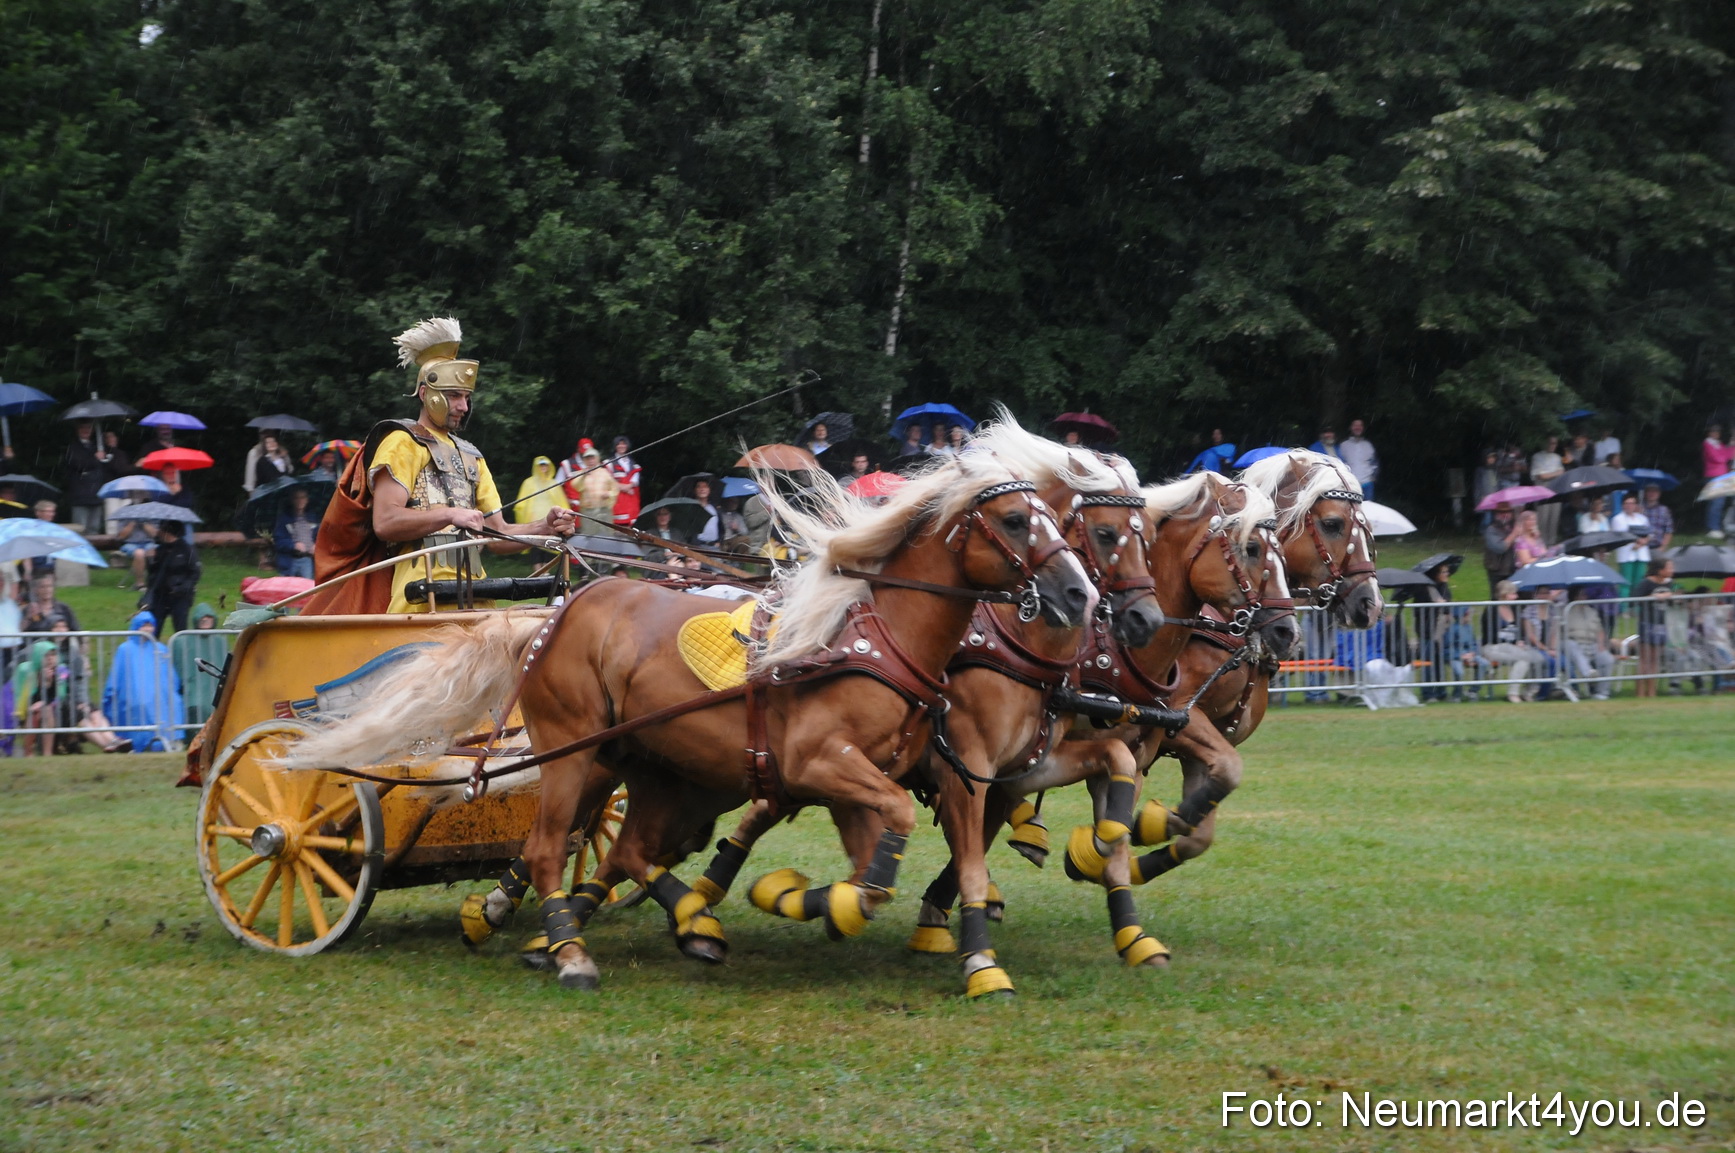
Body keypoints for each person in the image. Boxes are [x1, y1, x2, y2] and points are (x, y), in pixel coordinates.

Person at [305, 316, 577, 615]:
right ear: (425, 394)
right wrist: (449, 514)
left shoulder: (471, 455)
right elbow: (385, 522)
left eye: (467, 397)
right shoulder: (402, 442)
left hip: (477, 598)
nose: (463, 406)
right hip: (419, 599)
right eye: (454, 396)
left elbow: (498, 535)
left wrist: (544, 526)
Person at [102, 611, 187, 751]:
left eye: (150, 625)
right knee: (142, 704)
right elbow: (118, 678)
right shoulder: (125, 649)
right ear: (136, 627)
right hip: (135, 697)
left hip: (161, 695)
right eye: (144, 626)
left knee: (174, 702)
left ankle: (171, 740)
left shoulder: (160, 648)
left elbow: (171, 678)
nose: (148, 629)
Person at [1480, 580, 1547, 704]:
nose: (1516, 597)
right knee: (1524, 659)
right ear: (1504, 594)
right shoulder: (1491, 610)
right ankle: (1513, 693)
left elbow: (1519, 632)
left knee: (1538, 658)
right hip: (1493, 647)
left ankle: (1529, 691)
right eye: (1513, 594)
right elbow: (1491, 635)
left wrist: (1519, 641)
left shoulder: (1515, 610)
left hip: (1512, 647)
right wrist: (1513, 643)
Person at [172, 603, 227, 726]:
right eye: (202, 617)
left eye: (209, 617)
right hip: (193, 690)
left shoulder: (220, 641)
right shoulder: (182, 640)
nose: (205, 620)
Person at [144, 518, 201, 635]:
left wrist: (183, 588)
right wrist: (149, 559)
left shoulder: (187, 550)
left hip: (180, 596)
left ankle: (181, 652)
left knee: (180, 629)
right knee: (155, 628)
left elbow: (195, 573)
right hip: (160, 595)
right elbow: (153, 573)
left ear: (167, 531)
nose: (158, 532)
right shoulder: (159, 549)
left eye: (160, 529)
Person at [1563, 586, 1615, 700]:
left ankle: (1602, 692)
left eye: (1585, 595)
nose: (1584, 597)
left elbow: (1599, 630)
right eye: (1581, 595)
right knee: (1572, 646)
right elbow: (1557, 631)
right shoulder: (1565, 611)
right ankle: (1588, 673)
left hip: (1592, 643)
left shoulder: (1592, 611)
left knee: (1607, 659)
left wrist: (1601, 644)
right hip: (1574, 642)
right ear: (1574, 597)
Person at [1633, 558, 1674, 699]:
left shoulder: (1670, 584)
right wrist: (1655, 596)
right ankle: (1640, 693)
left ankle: (1651, 692)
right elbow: (1634, 599)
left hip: (1661, 623)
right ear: (1660, 570)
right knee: (1645, 658)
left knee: (1655, 659)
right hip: (1647, 623)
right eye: (1669, 567)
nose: (1672, 570)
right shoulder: (1646, 583)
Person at [62, 420, 110, 534]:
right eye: (82, 428)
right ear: (77, 430)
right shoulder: (73, 447)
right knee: (80, 528)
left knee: (94, 528)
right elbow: (78, 464)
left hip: (96, 493)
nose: (86, 431)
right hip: (80, 495)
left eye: (88, 428)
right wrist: (95, 458)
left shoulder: (97, 446)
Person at [273, 486, 319, 578]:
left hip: (307, 559)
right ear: (291, 500)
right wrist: (293, 545)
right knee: (286, 587)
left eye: (303, 497)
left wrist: (317, 545)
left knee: (307, 588)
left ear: (307, 500)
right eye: (296, 498)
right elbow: (278, 541)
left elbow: (322, 537)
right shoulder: (284, 519)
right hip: (289, 560)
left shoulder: (313, 519)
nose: (300, 500)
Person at [1610, 494, 1652, 592]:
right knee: (1626, 582)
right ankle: (1624, 606)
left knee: (1639, 582)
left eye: (1632, 503)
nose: (1629, 506)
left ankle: (1637, 606)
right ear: (1623, 505)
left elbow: (1649, 533)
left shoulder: (1642, 518)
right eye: (1627, 503)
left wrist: (1644, 542)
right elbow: (1620, 534)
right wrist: (1637, 541)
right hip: (1627, 553)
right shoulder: (1618, 519)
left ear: (1635, 505)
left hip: (1641, 553)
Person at [512, 456, 570, 526]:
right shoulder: (528, 483)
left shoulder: (553, 483)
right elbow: (521, 503)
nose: (543, 467)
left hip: (550, 516)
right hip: (533, 517)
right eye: (540, 465)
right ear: (536, 467)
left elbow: (561, 502)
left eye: (545, 465)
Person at [1529, 436, 1566, 541]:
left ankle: (1551, 544)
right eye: (1551, 443)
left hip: (1556, 489)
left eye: (1555, 443)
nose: (1553, 445)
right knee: (1542, 518)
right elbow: (1540, 476)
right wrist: (1555, 473)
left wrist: (1549, 474)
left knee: (1554, 518)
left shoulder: (1557, 457)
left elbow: (1562, 473)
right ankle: (1540, 544)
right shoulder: (1537, 456)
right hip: (1542, 489)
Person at [99, 430, 135, 535]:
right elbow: (120, 469)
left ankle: (125, 539)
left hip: (124, 489)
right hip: (111, 490)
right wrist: (136, 466)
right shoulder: (104, 453)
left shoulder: (121, 453)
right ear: (105, 441)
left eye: (113, 437)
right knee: (112, 517)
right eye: (108, 438)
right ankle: (111, 542)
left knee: (126, 515)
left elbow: (124, 470)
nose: (112, 439)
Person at [1703, 424, 1735, 538]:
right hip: (1713, 475)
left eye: (1717, 432)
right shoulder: (1707, 443)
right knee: (1715, 503)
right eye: (1713, 431)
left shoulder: (1719, 444)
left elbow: (1728, 455)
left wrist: (1731, 446)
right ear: (1709, 433)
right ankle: (1712, 528)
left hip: (1722, 476)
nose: (1716, 433)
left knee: (1718, 503)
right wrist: (1724, 454)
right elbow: (1717, 458)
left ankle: (1714, 528)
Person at [1482, 502, 1518, 593]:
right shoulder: (1491, 530)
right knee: (1498, 597)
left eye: (1508, 512)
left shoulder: (1514, 527)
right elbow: (1500, 548)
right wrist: (1514, 534)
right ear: (1496, 514)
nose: (1505, 515)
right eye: (1501, 513)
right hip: (1497, 571)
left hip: (1514, 569)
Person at [1339, 419, 1378, 500]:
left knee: (1369, 508)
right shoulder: (1343, 445)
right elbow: (1340, 463)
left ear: (1363, 428)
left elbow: (1375, 462)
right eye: (1355, 425)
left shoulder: (1368, 445)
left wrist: (1373, 476)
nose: (1357, 428)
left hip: (1367, 484)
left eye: (1360, 425)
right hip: (1350, 484)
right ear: (1351, 428)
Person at [608, 435, 641, 527]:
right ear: (615, 446)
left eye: (623, 444)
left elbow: (635, 479)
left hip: (631, 500)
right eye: (619, 444)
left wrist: (629, 486)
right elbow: (608, 481)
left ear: (627, 446)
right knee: (618, 527)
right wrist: (625, 488)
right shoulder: (609, 463)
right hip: (617, 501)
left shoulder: (633, 463)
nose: (621, 446)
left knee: (632, 525)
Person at [23, 500, 61, 579]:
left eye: (52, 511)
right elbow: (27, 552)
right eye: (48, 512)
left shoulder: (53, 529)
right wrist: (28, 571)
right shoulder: (32, 530)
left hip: (50, 565)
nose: (51, 514)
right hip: (37, 567)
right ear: (38, 512)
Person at [1640, 483, 1673, 557]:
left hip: (1657, 547)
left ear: (1659, 494)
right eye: (1649, 491)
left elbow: (1669, 531)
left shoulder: (1664, 510)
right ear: (1645, 493)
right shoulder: (1639, 509)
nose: (1651, 494)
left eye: (1654, 491)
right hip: (1641, 547)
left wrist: (1663, 547)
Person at [691, 477, 720, 546]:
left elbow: (721, 527)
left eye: (705, 486)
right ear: (695, 490)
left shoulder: (715, 508)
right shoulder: (691, 508)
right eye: (699, 487)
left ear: (709, 490)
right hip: (697, 546)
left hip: (714, 546)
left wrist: (719, 541)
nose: (702, 489)